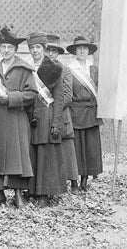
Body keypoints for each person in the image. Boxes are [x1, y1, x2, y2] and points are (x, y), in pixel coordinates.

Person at [0, 27, 36, 208]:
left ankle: (18, 194)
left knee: (18, 156)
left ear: (15, 50)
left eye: (9, 47)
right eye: (3, 47)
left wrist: (12, 97)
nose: (6, 50)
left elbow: (32, 93)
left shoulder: (24, 69)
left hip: (17, 117)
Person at [26, 33, 67, 204]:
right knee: (33, 154)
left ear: (44, 49)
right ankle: (33, 191)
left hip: (48, 114)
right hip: (31, 115)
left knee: (46, 155)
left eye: (38, 47)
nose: (35, 51)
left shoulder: (54, 69)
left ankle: (45, 193)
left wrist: (57, 122)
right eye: (32, 48)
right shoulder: (27, 68)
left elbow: (59, 98)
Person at [66, 35, 102, 191]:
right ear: (75, 51)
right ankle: (74, 181)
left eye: (85, 48)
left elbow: (100, 90)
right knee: (75, 147)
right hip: (76, 112)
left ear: (88, 51)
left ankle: (84, 180)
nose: (82, 51)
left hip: (91, 113)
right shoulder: (69, 69)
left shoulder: (93, 69)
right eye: (79, 48)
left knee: (90, 148)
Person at [45, 43, 79, 192]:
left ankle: (73, 182)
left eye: (54, 51)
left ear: (58, 53)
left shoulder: (65, 70)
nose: (51, 54)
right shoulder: (40, 68)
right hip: (44, 113)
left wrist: (55, 109)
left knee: (67, 148)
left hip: (61, 112)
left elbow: (67, 95)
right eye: (48, 51)